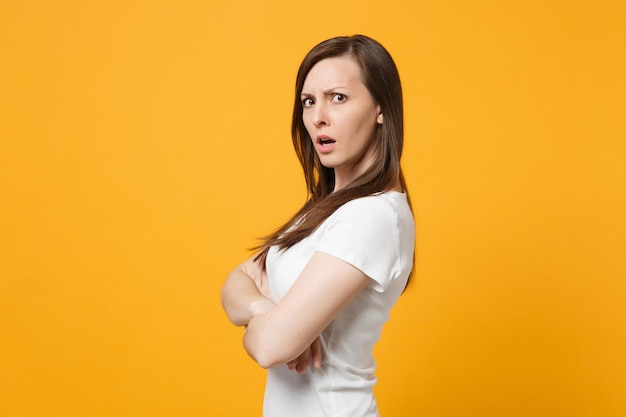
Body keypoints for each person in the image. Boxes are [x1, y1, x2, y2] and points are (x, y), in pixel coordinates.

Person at [221, 34, 415, 417]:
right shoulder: (322, 212)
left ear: (380, 108)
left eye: (337, 98)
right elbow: (235, 283)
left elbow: (271, 348)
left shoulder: (373, 216)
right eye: (309, 101)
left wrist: (272, 327)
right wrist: (266, 309)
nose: (317, 116)